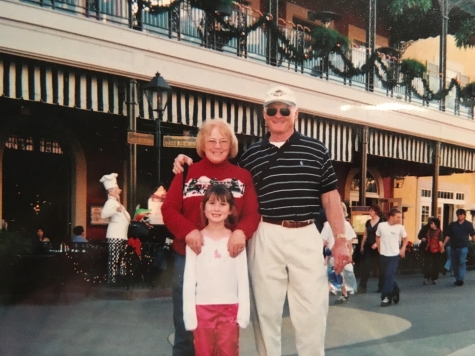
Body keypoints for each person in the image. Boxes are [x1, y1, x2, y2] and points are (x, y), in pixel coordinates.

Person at [172, 86, 350, 356]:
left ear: (296, 113)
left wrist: (340, 239)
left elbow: (330, 197)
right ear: (264, 115)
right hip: (265, 233)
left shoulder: (317, 150)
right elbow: (219, 176)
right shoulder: (251, 156)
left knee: (313, 311)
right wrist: (184, 161)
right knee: (265, 313)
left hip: (305, 233)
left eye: (284, 109)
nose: (278, 115)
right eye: (271, 110)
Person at [162, 119, 260, 356]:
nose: (217, 146)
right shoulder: (186, 172)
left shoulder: (242, 176)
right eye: (211, 140)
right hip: (189, 258)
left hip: (227, 260)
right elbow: (169, 210)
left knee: (225, 333)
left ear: (231, 145)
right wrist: (188, 231)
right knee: (187, 328)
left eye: (223, 141)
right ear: (202, 144)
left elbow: (253, 213)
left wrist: (241, 232)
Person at [183, 184, 249, 356]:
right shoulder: (196, 241)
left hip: (229, 310)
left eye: (223, 204)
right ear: (203, 207)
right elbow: (189, 281)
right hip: (202, 310)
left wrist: (243, 314)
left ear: (230, 210)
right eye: (212, 203)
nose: (217, 209)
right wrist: (190, 316)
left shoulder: (235, 242)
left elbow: (242, 279)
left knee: (228, 352)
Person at [321, 202, 357, 304]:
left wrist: (349, 255)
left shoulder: (343, 225)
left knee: (334, 274)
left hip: (338, 254)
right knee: (336, 274)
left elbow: (349, 241)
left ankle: (324, 298)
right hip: (334, 254)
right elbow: (323, 241)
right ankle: (344, 294)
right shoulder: (329, 225)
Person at [100, 173, 130, 283]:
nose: (119, 191)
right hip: (115, 236)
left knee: (121, 259)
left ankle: (121, 278)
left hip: (122, 236)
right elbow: (103, 215)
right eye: (117, 189)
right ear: (110, 191)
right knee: (114, 258)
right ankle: (112, 280)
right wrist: (115, 210)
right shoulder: (110, 203)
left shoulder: (117, 203)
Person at [376, 208, 408, 307]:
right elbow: (377, 237)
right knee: (386, 276)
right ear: (391, 217)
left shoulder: (400, 228)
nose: (399, 219)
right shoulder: (381, 225)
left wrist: (402, 249)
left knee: (389, 274)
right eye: (398, 217)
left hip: (394, 255)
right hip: (383, 255)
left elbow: (406, 238)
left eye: (400, 217)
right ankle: (396, 290)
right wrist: (379, 248)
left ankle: (386, 297)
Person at [443, 209, 475, 286]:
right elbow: (448, 235)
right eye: (458, 214)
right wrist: (443, 244)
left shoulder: (468, 224)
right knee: (455, 263)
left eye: (461, 214)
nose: (459, 215)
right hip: (453, 246)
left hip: (463, 246)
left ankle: (461, 279)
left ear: (464, 215)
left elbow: (472, 235)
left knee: (462, 262)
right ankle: (457, 278)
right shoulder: (453, 224)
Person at [358, 204, 384, 294]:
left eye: (372, 211)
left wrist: (377, 244)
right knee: (366, 266)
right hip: (368, 246)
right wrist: (362, 245)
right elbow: (366, 234)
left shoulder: (382, 222)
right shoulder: (368, 222)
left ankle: (382, 287)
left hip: (379, 247)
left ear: (376, 212)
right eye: (370, 211)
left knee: (380, 267)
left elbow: (383, 235)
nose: (370, 212)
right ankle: (362, 287)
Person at [422, 218, 444, 285]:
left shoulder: (439, 231)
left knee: (435, 264)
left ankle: (434, 278)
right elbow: (425, 238)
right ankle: (427, 277)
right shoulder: (428, 231)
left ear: (435, 224)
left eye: (431, 223)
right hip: (428, 249)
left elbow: (440, 241)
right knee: (427, 264)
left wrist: (442, 248)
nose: (430, 224)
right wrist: (423, 239)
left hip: (436, 249)